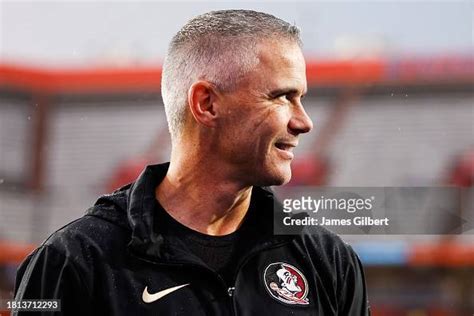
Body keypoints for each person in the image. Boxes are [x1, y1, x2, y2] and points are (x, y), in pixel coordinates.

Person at [14, 10, 370, 315]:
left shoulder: (328, 260)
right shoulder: (72, 262)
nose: (304, 121)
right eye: (282, 97)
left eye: (302, 98)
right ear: (207, 104)